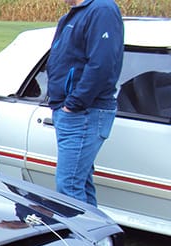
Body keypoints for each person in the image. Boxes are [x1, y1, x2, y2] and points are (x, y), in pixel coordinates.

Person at [46, 0, 124, 206]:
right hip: (73, 112)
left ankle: (76, 237)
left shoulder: (102, 10)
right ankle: (96, 237)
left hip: (84, 113)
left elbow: (102, 64)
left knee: (68, 188)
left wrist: (73, 104)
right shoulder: (75, 15)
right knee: (80, 184)